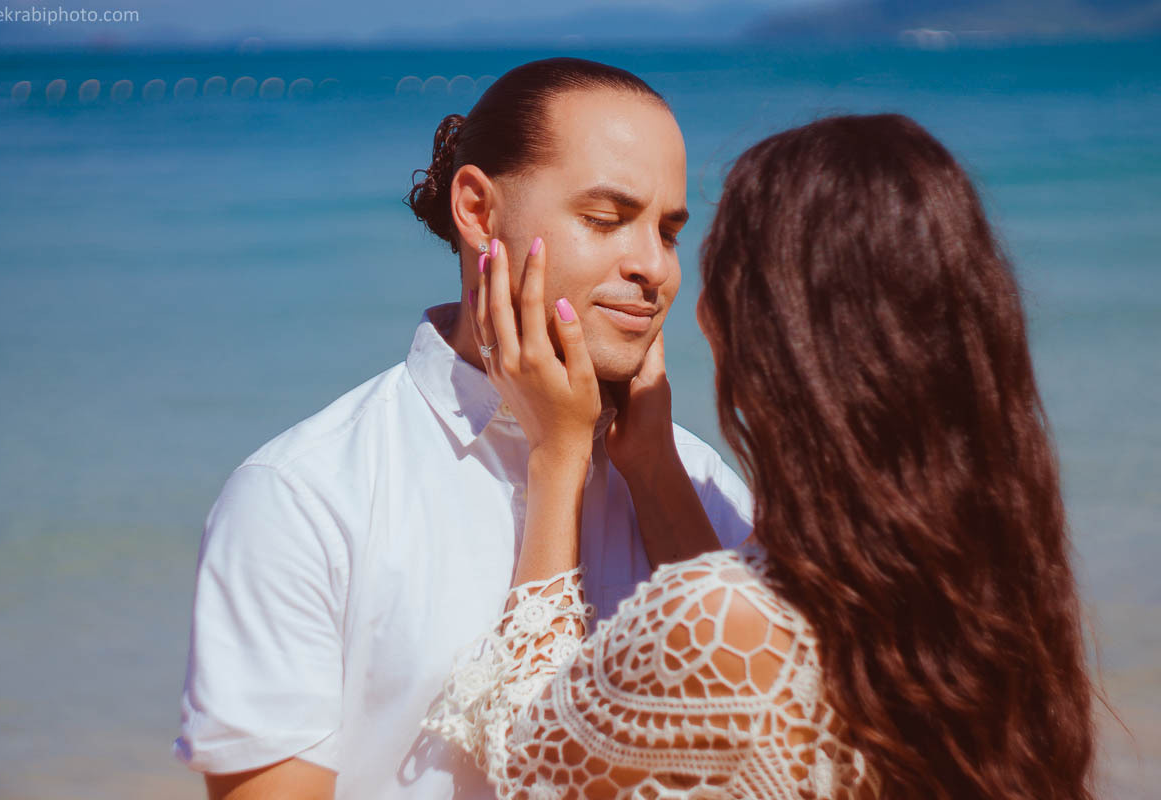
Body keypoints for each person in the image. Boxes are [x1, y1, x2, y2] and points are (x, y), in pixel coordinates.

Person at [424, 114, 1096, 799]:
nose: (665, 278)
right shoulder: (985, 598)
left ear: (768, 333)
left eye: (684, 245)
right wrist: (654, 469)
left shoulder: (728, 620)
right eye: (606, 219)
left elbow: (526, 755)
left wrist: (558, 454)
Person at [173, 58, 756, 799]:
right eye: (605, 220)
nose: (654, 268)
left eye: (668, 231)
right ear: (478, 210)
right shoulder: (303, 498)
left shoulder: (701, 483)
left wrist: (656, 477)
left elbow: (762, 747)